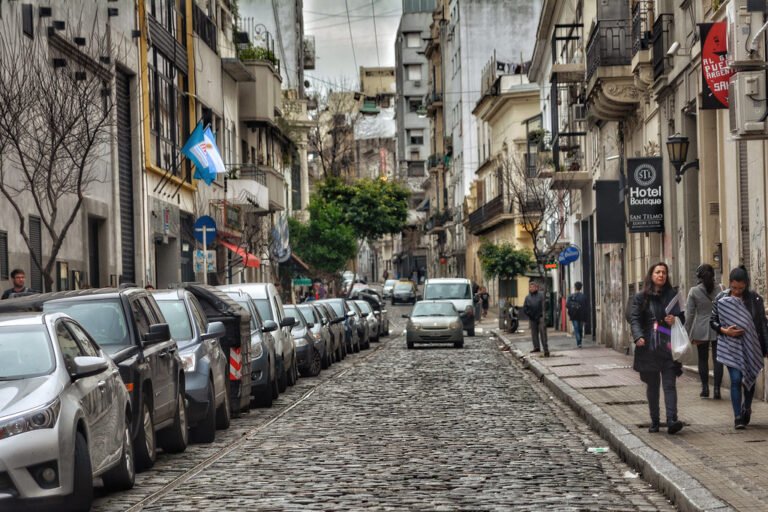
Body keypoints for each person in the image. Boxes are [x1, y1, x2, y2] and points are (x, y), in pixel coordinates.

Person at [629, 262, 685, 434]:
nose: (661, 275)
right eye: (658, 272)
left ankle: (671, 420)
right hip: (648, 347)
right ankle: (655, 421)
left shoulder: (673, 295)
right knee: (652, 386)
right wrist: (638, 336)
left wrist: (675, 320)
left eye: (664, 273)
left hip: (667, 345)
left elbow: (682, 318)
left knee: (669, 384)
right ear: (651, 275)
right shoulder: (641, 297)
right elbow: (635, 319)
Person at [710, 266, 768, 429]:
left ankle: (747, 408)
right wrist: (724, 330)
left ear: (746, 285)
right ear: (730, 283)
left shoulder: (755, 299)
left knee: (749, 377)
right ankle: (737, 417)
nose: (736, 291)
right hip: (729, 345)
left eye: (741, 289)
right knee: (736, 379)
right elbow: (712, 320)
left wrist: (766, 345)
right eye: (734, 288)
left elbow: (763, 324)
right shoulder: (721, 298)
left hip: (751, 344)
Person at [685, 264, 722, 399]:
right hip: (718, 327)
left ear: (698, 276)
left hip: (700, 328)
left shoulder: (693, 291)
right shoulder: (720, 289)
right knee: (718, 359)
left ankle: (705, 388)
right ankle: (717, 390)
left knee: (702, 359)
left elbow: (689, 315)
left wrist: (685, 332)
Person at [523, 281, 548, 357]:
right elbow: (525, 308)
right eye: (530, 287)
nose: (531, 288)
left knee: (543, 333)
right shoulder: (527, 297)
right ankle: (536, 347)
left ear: (536, 287)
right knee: (534, 333)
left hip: (540, 317)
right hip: (532, 318)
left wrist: (543, 314)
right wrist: (529, 314)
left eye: (533, 287)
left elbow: (546, 304)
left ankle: (545, 348)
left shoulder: (541, 296)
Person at [566, 282, 589, 348]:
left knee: (576, 329)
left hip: (574, 315)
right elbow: (586, 307)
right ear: (581, 288)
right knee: (580, 329)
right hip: (581, 316)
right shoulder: (584, 296)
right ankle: (580, 342)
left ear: (575, 287)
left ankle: (578, 342)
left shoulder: (571, 296)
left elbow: (567, 305)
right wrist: (586, 317)